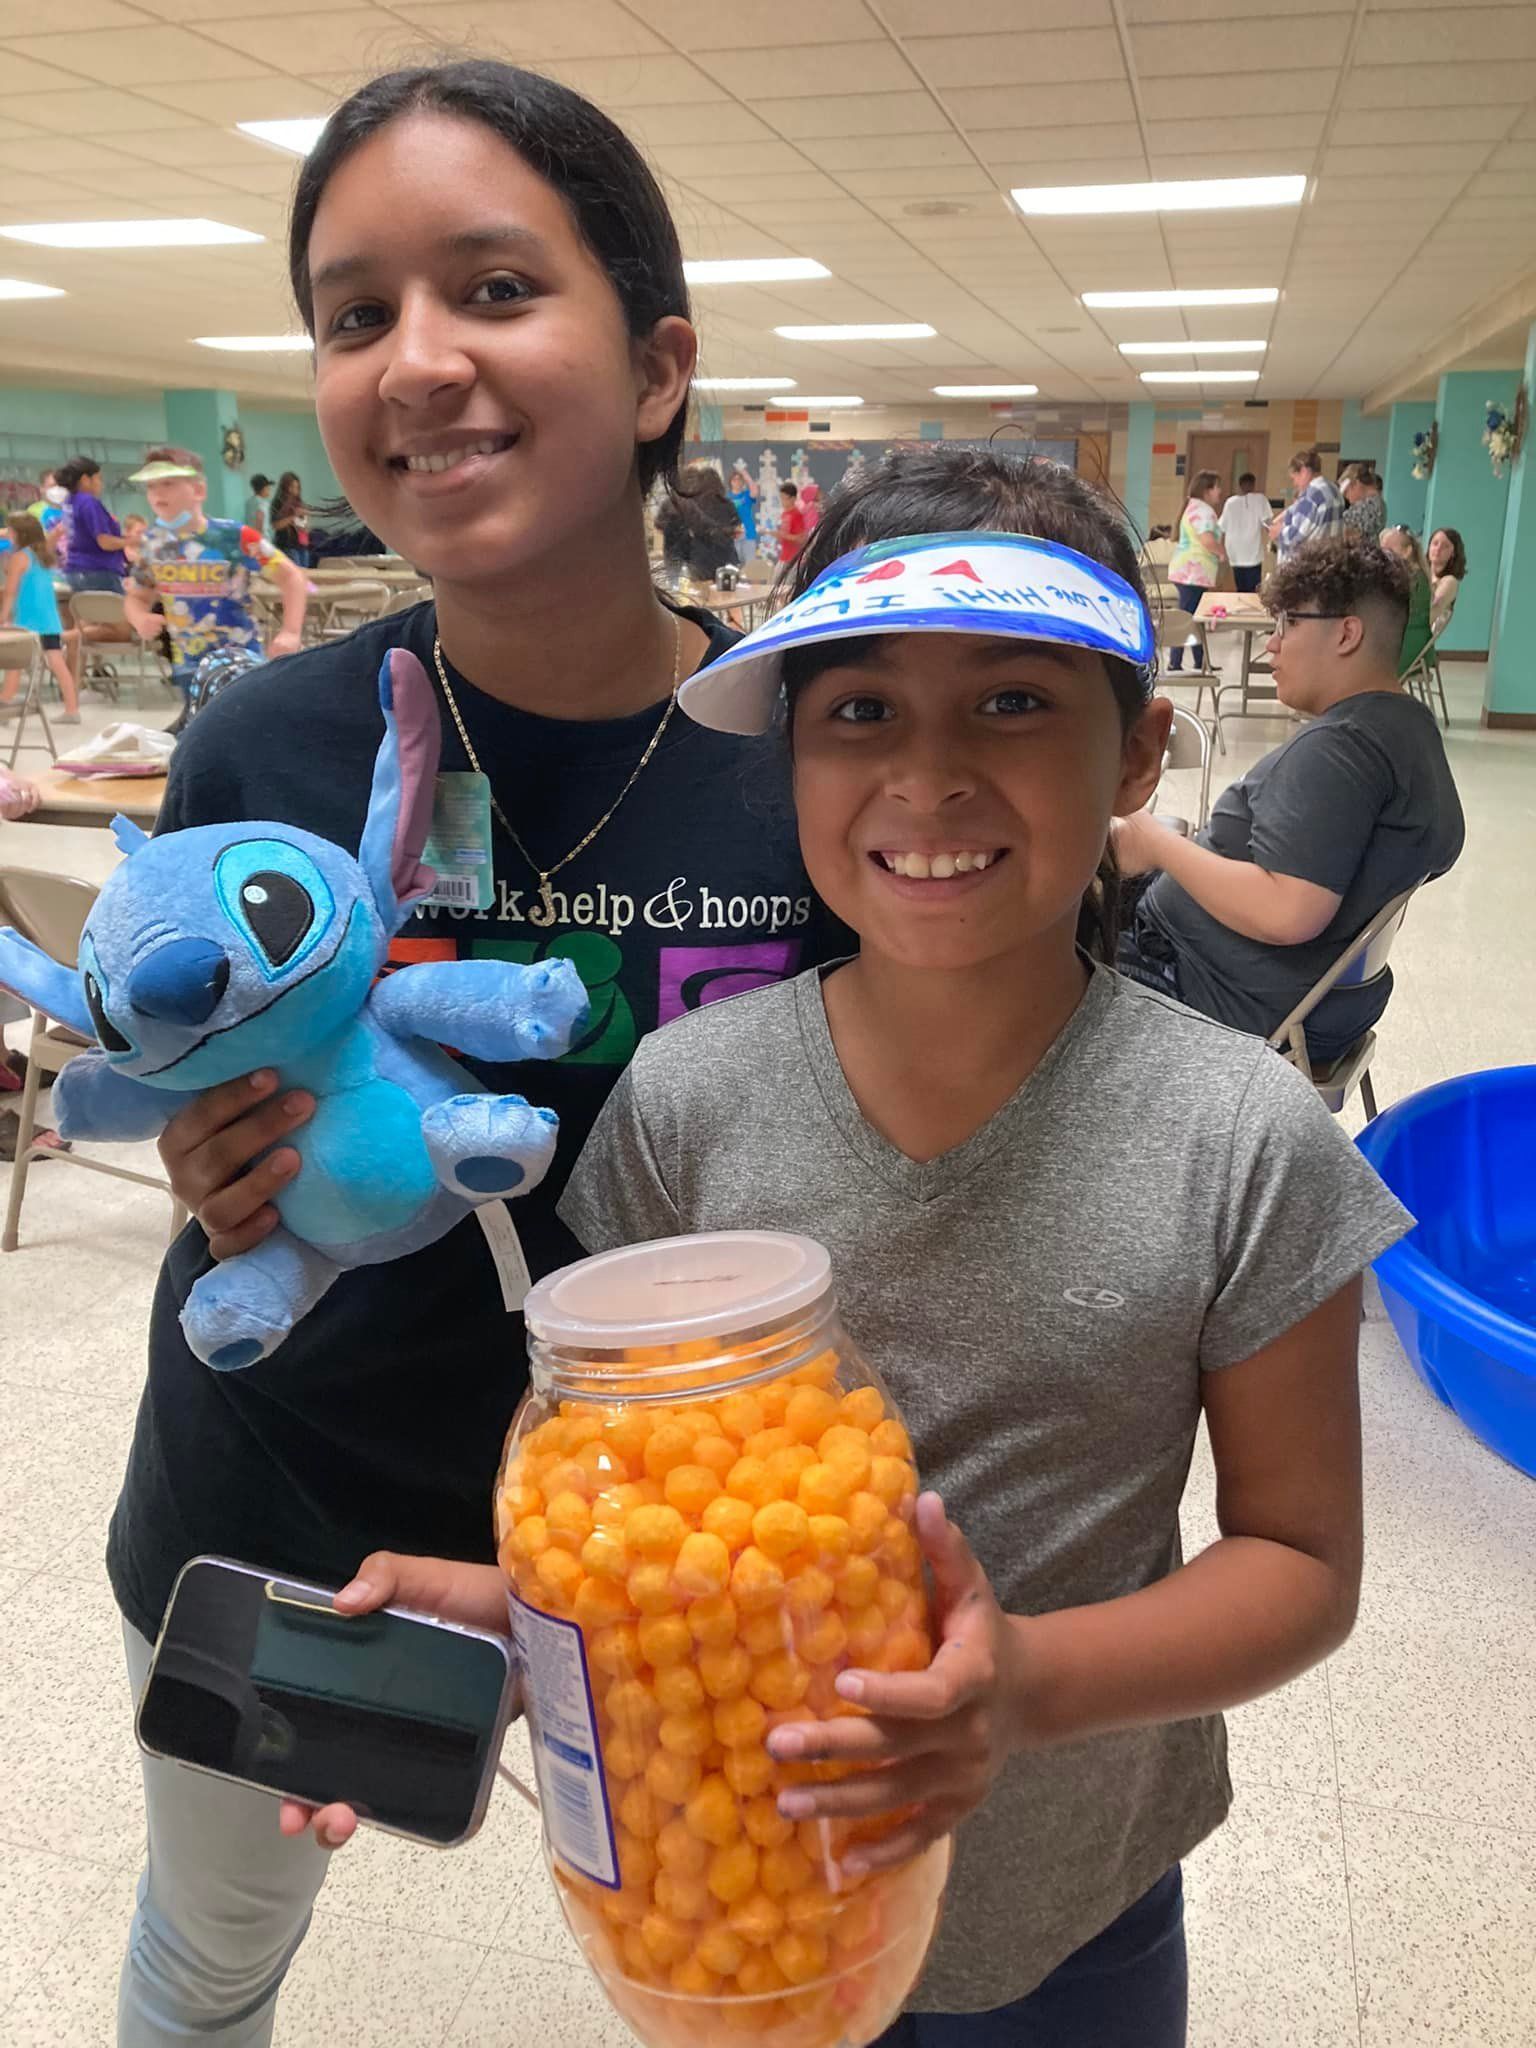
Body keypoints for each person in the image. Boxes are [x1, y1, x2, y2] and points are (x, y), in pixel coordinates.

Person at [293, 449, 1412, 2045]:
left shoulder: (1241, 1141)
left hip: (1064, 1912)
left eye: (1016, 704)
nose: (930, 774)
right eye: (861, 713)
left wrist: (1022, 1683)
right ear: (794, 761)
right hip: (735, 1898)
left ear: (1137, 753)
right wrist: (537, 1623)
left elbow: (1298, 1567)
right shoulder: (688, 1097)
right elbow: (653, 1493)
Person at [109, 58, 837, 2048]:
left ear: (659, 362)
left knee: (735, 1977)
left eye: (497, 288)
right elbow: (201, 1070)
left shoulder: (821, 761)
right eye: (357, 314)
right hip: (293, 1522)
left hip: (677, 1555)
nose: (418, 360)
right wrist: (213, 1156)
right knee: (209, 1958)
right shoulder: (264, 746)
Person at [1116, 536, 1464, 1060]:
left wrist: (1155, 843)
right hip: (1308, 1002)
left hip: (1202, 991)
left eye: (1290, 624)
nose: (1271, 646)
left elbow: (1289, 912)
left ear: (1347, 633)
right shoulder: (1409, 728)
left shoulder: (1339, 749)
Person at [124, 447, 307, 729]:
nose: (158, 494)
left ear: (198, 490)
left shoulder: (234, 536)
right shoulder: (154, 543)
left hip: (238, 662)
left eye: (169, 483)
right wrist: (140, 618)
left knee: (235, 733)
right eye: (151, 486)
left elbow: (292, 578)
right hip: (187, 665)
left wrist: (291, 632)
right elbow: (136, 597)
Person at [0, 512, 81, 722]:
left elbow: (10, 591)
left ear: (19, 534)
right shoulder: (43, 553)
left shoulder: (19, 558)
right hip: (48, 619)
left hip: (27, 620)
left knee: (15, 663)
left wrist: (2, 616)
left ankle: (4, 703)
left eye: (10, 531)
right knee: (57, 663)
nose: (7, 534)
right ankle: (72, 710)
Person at [1166, 468, 1225, 672]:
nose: (1220, 492)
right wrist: (1221, 552)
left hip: (1187, 571)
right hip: (1193, 572)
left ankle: (1198, 661)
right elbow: (1207, 540)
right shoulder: (1204, 511)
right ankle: (1176, 661)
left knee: (1191, 617)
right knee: (1189, 618)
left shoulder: (1194, 506)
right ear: (1207, 490)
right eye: (1217, 487)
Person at [654, 462, 741, 583]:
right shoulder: (726, 504)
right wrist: (726, 531)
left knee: (682, 588)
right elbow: (735, 529)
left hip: (690, 553)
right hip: (724, 553)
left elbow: (658, 524)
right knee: (726, 590)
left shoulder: (675, 502)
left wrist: (671, 529)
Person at [58, 456, 129, 592]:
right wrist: (133, 541)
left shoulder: (69, 502)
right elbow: (104, 542)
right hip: (99, 573)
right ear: (85, 479)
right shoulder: (89, 503)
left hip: (74, 572)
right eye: (98, 479)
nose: (101, 484)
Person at [1269, 447, 1344, 561]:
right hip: (1327, 560)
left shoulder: (1312, 495)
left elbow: (1294, 536)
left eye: (1294, 478)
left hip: (1307, 565)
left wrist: (1278, 532)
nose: (1294, 483)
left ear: (1304, 471)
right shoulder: (1334, 489)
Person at [1380, 525, 1432, 673]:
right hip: (1408, 641)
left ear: (1407, 551)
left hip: (1407, 646)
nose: (1383, 555)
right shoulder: (1413, 574)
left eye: (1389, 550)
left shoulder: (1412, 579)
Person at [1218, 469, 1270, 593]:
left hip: (1235, 552)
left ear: (1239, 486)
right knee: (1253, 590)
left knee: (1240, 588)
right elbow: (1268, 523)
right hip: (1252, 552)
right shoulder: (1260, 499)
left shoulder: (1230, 502)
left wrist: (1221, 550)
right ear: (1253, 485)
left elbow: (1221, 527)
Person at [1427, 526, 1465, 630]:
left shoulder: (1449, 581)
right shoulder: (1420, 574)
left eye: (1445, 546)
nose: (1438, 549)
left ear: (1453, 553)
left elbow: (1433, 612)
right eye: (1435, 543)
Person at [269, 470, 310, 564]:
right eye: (292, 487)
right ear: (285, 487)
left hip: (302, 545)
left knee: (306, 574)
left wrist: (304, 520)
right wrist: (293, 516)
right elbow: (275, 525)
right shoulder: (277, 503)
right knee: (295, 573)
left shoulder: (299, 503)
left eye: (297, 487)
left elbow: (306, 529)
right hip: (287, 545)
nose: (295, 490)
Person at [1340, 464, 1386, 542]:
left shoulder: (1365, 507)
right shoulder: (1379, 503)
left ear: (1357, 484)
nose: (1348, 499)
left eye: (1346, 492)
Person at [727, 457, 758, 557]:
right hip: (733, 535)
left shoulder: (747, 495)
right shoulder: (726, 498)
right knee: (736, 566)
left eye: (739, 479)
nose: (737, 482)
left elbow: (755, 491)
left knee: (750, 565)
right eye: (734, 480)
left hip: (748, 534)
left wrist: (745, 474)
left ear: (743, 482)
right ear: (730, 482)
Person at [777, 478, 808, 563]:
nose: (782, 501)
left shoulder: (797, 515)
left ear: (793, 498)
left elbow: (801, 538)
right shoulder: (784, 514)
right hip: (784, 556)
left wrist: (784, 535)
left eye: (784, 498)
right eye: (781, 498)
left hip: (793, 558)